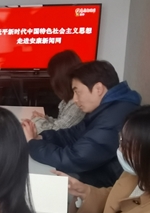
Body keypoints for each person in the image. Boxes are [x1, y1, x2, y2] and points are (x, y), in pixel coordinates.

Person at [22, 60, 141, 188]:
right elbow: (72, 134)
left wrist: (32, 144)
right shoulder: (109, 108)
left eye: (77, 92)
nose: (75, 99)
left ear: (98, 89)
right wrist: (40, 137)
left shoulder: (114, 117)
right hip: (97, 171)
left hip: (109, 185)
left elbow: (75, 158)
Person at [29, 50, 85, 134]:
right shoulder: (70, 99)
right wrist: (45, 119)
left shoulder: (77, 103)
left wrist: (36, 121)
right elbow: (62, 122)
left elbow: (57, 132)